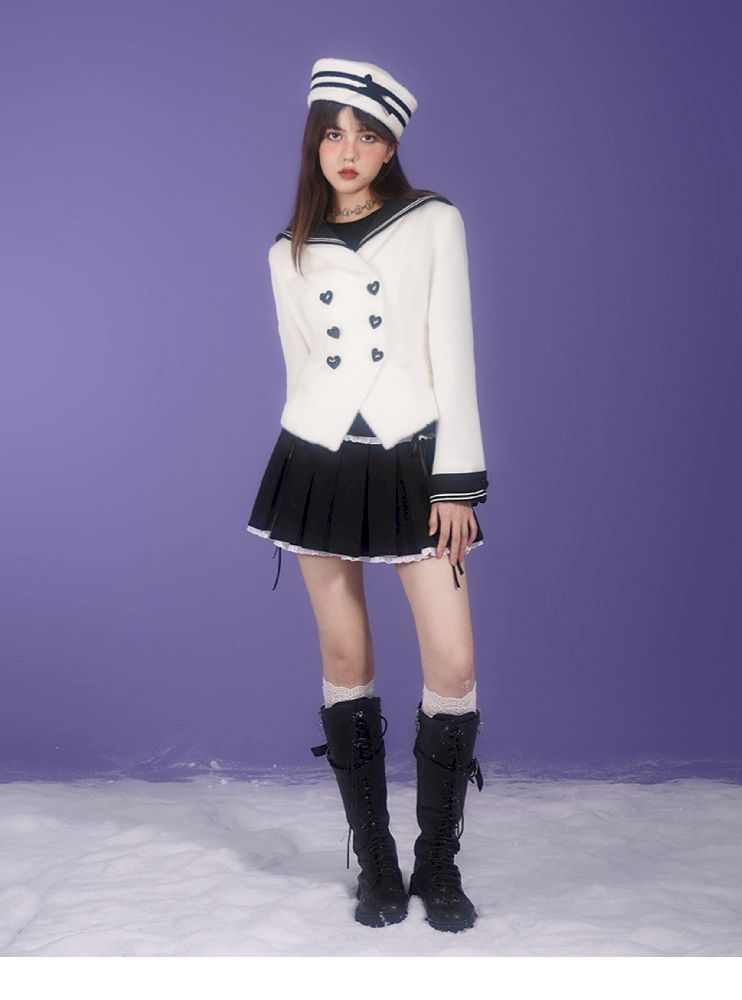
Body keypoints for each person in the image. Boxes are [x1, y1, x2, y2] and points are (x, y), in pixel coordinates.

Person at [246, 57, 488, 933]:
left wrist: (457, 482)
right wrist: (302, 464)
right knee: (346, 656)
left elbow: (452, 353)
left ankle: (437, 859)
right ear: (314, 144)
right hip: (318, 462)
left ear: (390, 149)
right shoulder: (288, 250)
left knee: (452, 664)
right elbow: (301, 367)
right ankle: (378, 861)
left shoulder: (433, 222)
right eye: (332, 134)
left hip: (415, 459)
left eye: (367, 135)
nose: (347, 151)